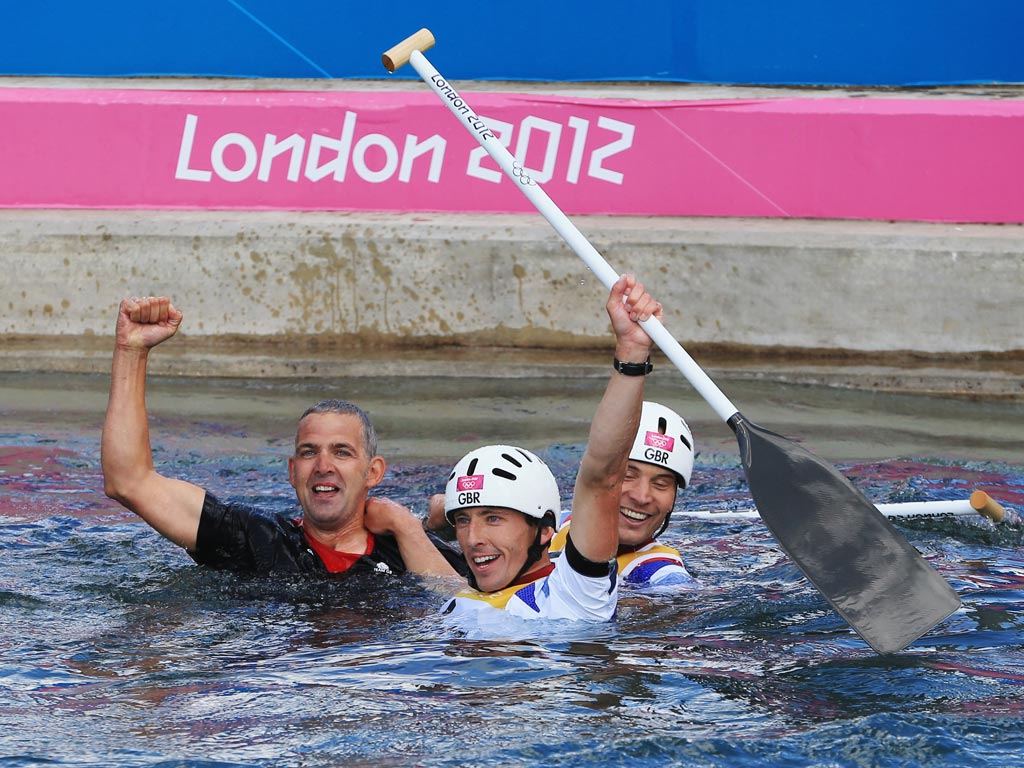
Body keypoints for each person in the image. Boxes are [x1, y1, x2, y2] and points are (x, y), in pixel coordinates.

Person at [101, 296, 466, 579]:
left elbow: (469, 609)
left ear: (373, 472)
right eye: (309, 453)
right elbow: (129, 481)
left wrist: (406, 525)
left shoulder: (411, 552)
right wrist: (131, 351)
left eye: (342, 452)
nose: (323, 466)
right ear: (292, 471)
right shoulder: (256, 539)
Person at [396, 274, 661, 624]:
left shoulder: (572, 598)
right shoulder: (458, 603)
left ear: (545, 530)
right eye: (463, 521)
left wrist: (631, 354)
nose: (473, 539)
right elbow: (443, 583)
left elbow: (603, 477)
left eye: (494, 519)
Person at [549, 400, 700, 589]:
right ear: (590, 476)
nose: (642, 497)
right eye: (627, 476)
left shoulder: (661, 574)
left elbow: (679, 598)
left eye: (661, 484)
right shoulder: (555, 525)